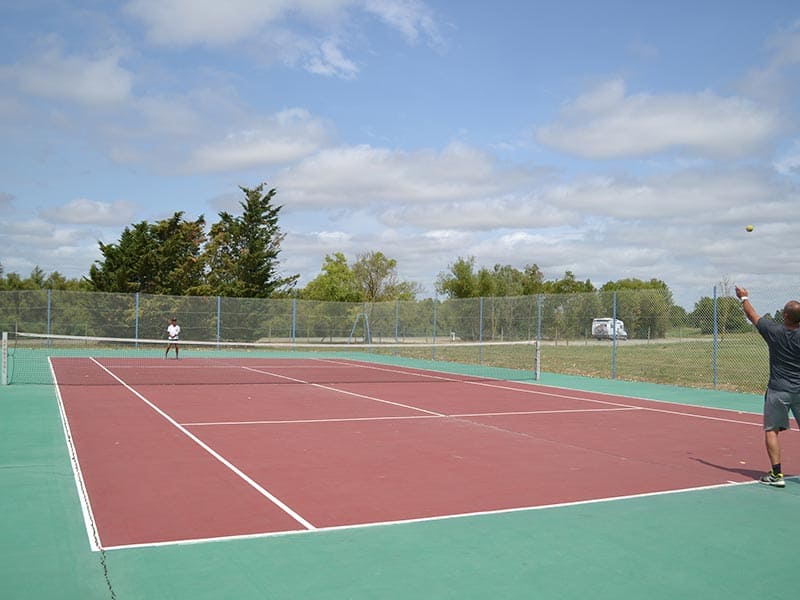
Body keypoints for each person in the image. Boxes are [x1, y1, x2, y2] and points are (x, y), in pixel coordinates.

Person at [735, 285, 800, 487]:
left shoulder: (774, 332)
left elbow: (752, 315)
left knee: (772, 430)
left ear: (785, 316)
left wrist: (744, 297)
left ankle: (776, 475)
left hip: (778, 390)